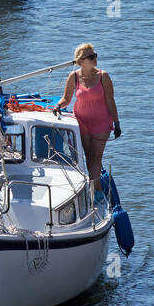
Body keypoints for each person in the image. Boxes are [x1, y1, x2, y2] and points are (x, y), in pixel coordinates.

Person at [52, 44, 120, 195]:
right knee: (88, 157)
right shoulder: (74, 76)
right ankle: (97, 188)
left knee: (96, 157)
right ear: (81, 61)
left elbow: (110, 101)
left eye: (95, 55)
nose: (95, 58)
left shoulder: (104, 76)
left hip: (101, 123)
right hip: (82, 122)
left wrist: (117, 122)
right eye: (91, 57)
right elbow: (66, 99)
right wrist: (57, 106)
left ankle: (94, 193)